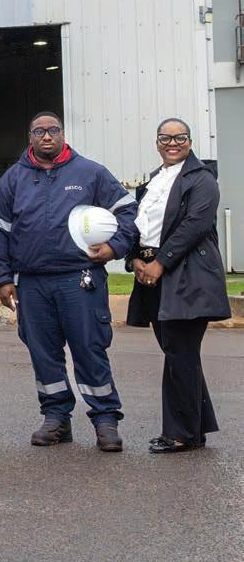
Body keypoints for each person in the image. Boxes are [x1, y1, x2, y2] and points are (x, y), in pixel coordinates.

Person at [0, 112, 138, 452]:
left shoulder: (91, 173)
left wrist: (115, 247)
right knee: (43, 353)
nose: (47, 136)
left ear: (63, 134)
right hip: (32, 283)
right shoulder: (13, 179)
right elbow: (0, 233)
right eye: (39, 131)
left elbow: (127, 211)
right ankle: (56, 418)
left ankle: (105, 420)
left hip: (79, 278)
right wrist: (2, 278)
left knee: (89, 348)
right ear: (30, 136)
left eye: (53, 130)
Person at [126, 118, 231, 453]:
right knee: (179, 354)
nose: (172, 143)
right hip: (154, 277)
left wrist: (159, 263)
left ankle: (182, 433)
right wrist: (135, 259)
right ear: (157, 142)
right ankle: (195, 427)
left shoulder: (202, 179)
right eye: (165, 138)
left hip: (188, 276)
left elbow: (193, 226)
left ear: (190, 141)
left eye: (180, 137)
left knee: (180, 352)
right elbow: (141, 226)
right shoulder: (153, 181)